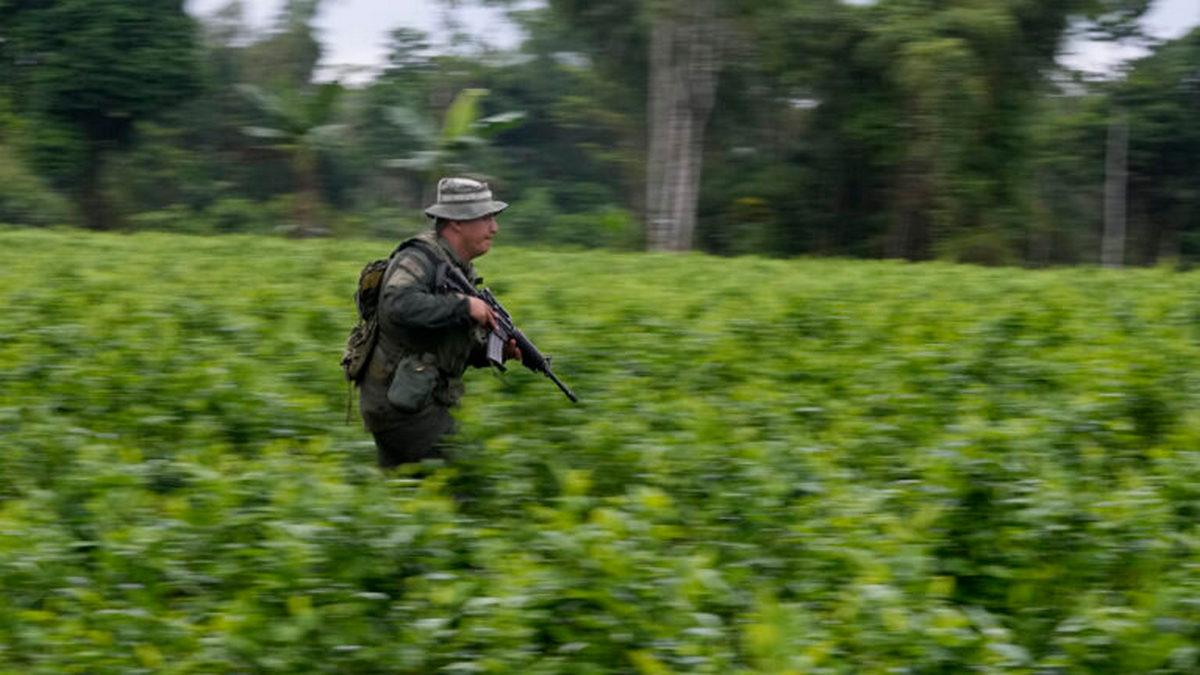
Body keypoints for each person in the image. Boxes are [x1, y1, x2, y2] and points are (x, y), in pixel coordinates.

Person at [358, 177, 519, 469]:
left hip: (414, 398)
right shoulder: (418, 258)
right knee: (460, 478)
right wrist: (465, 305)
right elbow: (398, 305)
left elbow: (447, 342)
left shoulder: (457, 266)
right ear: (457, 221)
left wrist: (494, 352)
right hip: (401, 404)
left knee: (406, 496)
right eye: (485, 218)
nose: (494, 228)